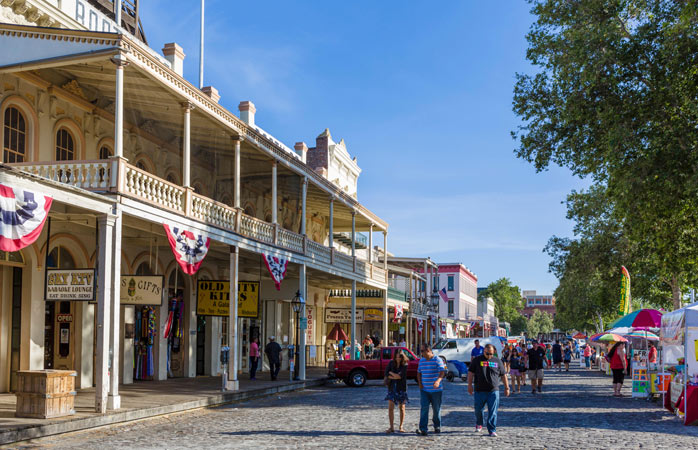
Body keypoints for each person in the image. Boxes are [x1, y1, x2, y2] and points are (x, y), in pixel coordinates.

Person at [468, 344, 510, 437]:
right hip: (479, 390)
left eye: (491, 353)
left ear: (493, 352)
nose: (489, 355)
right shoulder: (477, 360)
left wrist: (507, 387)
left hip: (493, 391)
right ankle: (479, 423)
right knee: (478, 410)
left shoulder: (498, 361)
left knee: (493, 411)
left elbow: (503, 375)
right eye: (487, 353)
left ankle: (492, 429)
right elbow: (471, 372)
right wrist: (469, 385)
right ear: (484, 351)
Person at [416, 345, 446, 436]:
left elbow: (442, 372)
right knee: (424, 409)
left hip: (436, 390)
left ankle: (437, 426)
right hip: (425, 390)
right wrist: (420, 383)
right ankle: (423, 428)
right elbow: (419, 373)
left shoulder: (438, 360)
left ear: (428, 351)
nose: (421, 353)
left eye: (422, 351)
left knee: (436, 409)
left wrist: (438, 381)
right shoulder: (422, 361)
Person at [384, 350, 409, 433]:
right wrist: (393, 375)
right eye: (396, 356)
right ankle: (391, 427)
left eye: (399, 357)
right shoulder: (391, 363)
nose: (398, 358)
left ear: (402, 357)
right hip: (392, 388)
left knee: (402, 408)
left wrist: (392, 374)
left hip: (401, 388)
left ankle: (401, 426)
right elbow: (387, 373)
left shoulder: (404, 365)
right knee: (390, 407)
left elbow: (400, 377)